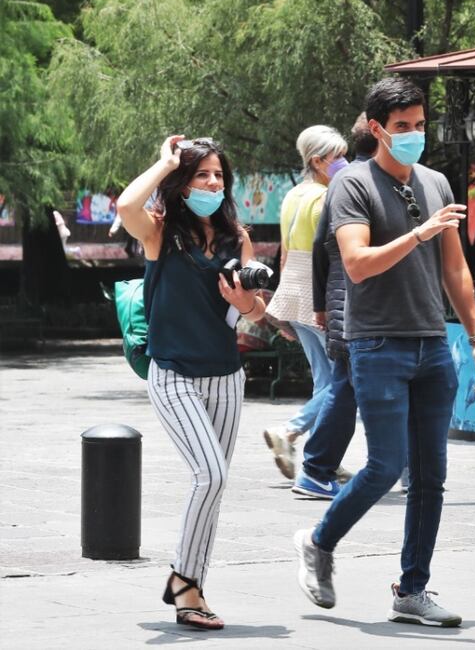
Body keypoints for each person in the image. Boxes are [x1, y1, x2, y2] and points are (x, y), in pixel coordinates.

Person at [293, 77, 475, 627]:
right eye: (402, 127)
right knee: (385, 465)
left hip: (432, 343)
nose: (414, 135)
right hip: (376, 342)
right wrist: (420, 233)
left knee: (430, 476)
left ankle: (412, 589)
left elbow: (455, 269)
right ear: (376, 128)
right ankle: (318, 540)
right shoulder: (352, 185)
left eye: (421, 125)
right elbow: (357, 264)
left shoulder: (435, 182)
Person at [116, 135, 266, 630]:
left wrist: (243, 302)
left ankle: (189, 591)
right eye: (202, 175)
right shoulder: (160, 232)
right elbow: (126, 204)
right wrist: (163, 164)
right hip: (174, 373)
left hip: (225, 376)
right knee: (212, 476)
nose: (212, 183)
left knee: (212, 486)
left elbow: (254, 314)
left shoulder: (235, 238)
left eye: (219, 175)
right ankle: (185, 582)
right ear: (183, 184)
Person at [297, 120, 380, 499]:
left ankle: (319, 466)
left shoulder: (331, 187)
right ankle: (316, 465)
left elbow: (313, 251)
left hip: (337, 302)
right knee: (344, 387)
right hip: (354, 303)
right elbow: (325, 251)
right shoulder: (357, 184)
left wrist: (318, 306)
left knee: (343, 386)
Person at [262, 126, 349, 484]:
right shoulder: (327, 198)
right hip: (319, 294)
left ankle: (324, 458)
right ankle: (291, 431)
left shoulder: (293, 195)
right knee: (345, 381)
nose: (344, 162)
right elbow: (329, 255)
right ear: (318, 160)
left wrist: (283, 305)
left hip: (294, 290)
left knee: (325, 381)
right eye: (337, 156)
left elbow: (284, 253)